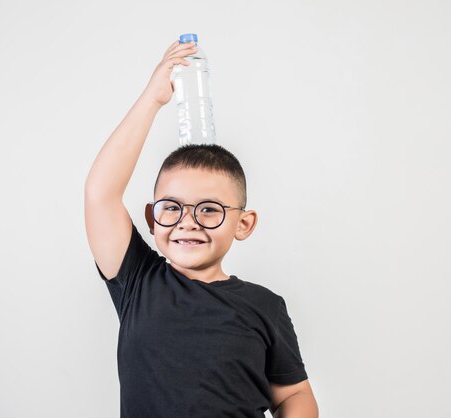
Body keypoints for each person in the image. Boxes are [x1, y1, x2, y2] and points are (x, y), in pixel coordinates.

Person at [85, 39, 319, 418]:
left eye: (209, 209)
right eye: (172, 208)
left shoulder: (265, 307)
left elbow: (294, 394)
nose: (187, 222)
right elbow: (100, 194)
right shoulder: (138, 281)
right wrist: (151, 99)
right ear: (151, 218)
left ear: (244, 224)